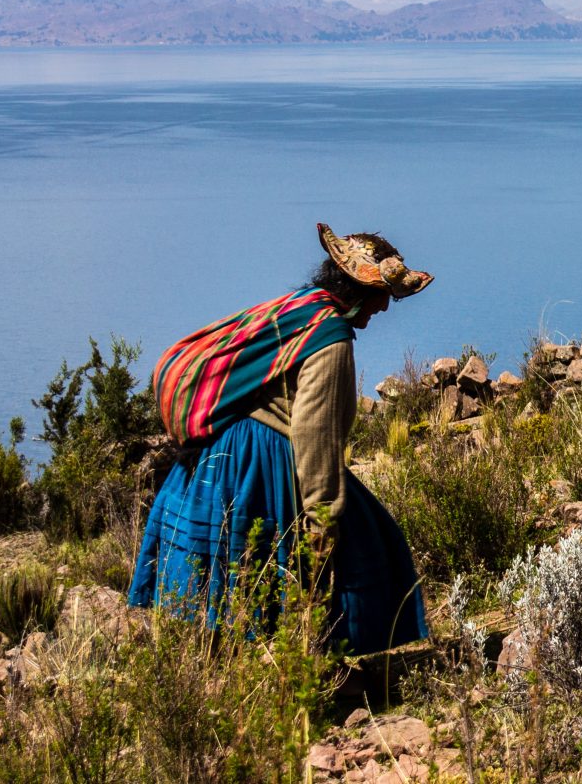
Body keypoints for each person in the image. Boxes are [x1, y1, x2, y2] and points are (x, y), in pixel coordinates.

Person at [128, 223, 430, 654]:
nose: (383, 308)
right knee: (371, 542)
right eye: (383, 296)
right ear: (361, 290)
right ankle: (327, 666)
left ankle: (227, 669)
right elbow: (315, 432)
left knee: (225, 566)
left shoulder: (300, 307)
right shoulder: (331, 340)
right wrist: (321, 519)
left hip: (222, 451)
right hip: (265, 457)